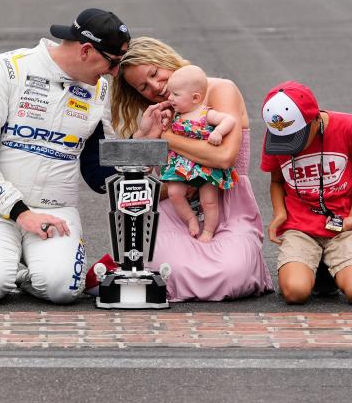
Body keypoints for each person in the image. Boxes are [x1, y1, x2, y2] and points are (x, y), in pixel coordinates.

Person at [0, 8, 130, 304]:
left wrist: (142, 141)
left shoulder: (100, 91)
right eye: (113, 63)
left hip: (56, 211)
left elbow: (101, 174)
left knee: (62, 289)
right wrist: (21, 213)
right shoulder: (7, 69)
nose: (114, 73)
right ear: (86, 50)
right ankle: (6, 269)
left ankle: (22, 272)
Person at [108, 37, 274, 301]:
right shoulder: (159, 113)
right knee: (165, 270)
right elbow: (138, 184)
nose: (156, 87)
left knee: (231, 273)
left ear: (165, 59)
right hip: (175, 207)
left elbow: (223, 158)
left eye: (154, 73)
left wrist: (166, 138)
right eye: (143, 87)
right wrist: (144, 135)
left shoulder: (219, 89)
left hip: (226, 203)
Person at [259, 82, 352, 304]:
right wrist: (279, 214)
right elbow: (276, 181)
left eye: (297, 137)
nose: (291, 146)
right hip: (299, 226)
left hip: (340, 225)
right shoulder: (276, 134)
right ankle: (313, 269)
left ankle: (325, 267)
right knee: (295, 293)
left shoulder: (349, 127)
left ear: (315, 119)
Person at [161, 64, 238, 242]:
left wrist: (218, 132)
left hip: (205, 165)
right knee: (174, 193)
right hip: (181, 165)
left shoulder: (205, 113)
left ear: (195, 98)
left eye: (176, 94)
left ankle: (209, 231)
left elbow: (229, 120)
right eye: (170, 93)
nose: (170, 98)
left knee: (209, 201)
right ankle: (190, 219)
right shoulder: (175, 114)